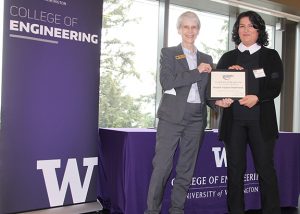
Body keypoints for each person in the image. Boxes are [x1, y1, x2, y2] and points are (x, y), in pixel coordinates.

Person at [144, 11, 214, 214]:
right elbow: (167, 82)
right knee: (162, 168)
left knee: (186, 169)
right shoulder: (169, 53)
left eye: (194, 27)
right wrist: (197, 71)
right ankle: (152, 211)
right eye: (186, 27)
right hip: (171, 118)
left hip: (196, 119)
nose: (190, 31)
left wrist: (220, 101)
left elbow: (208, 93)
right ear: (179, 29)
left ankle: (177, 209)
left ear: (198, 30)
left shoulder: (207, 58)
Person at [216, 11, 284, 214]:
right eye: (242, 26)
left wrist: (257, 97)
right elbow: (216, 88)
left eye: (251, 26)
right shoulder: (228, 57)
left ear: (259, 30)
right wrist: (221, 98)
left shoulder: (270, 56)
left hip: (261, 123)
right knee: (235, 172)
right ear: (237, 30)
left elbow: (275, 86)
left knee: (265, 171)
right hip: (233, 122)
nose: (246, 30)